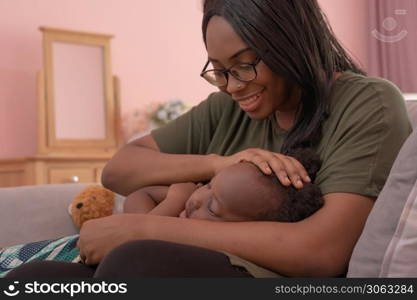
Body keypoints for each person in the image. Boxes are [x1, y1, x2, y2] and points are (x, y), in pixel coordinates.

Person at [7, 0, 411, 278]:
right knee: (32, 278)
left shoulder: (367, 103)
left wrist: (144, 229)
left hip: (266, 276)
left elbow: (322, 252)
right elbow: (120, 170)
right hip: (179, 257)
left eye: (243, 66)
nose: (232, 86)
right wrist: (218, 163)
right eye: (218, 70)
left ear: (291, 46)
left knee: (138, 262)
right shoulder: (227, 109)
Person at [123, 148, 323, 223]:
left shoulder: (203, 243)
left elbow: (134, 242)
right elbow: (138, 196)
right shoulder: (190, 196)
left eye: (212, 208)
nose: (196, 200)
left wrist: (172, 203)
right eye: (208, 185)